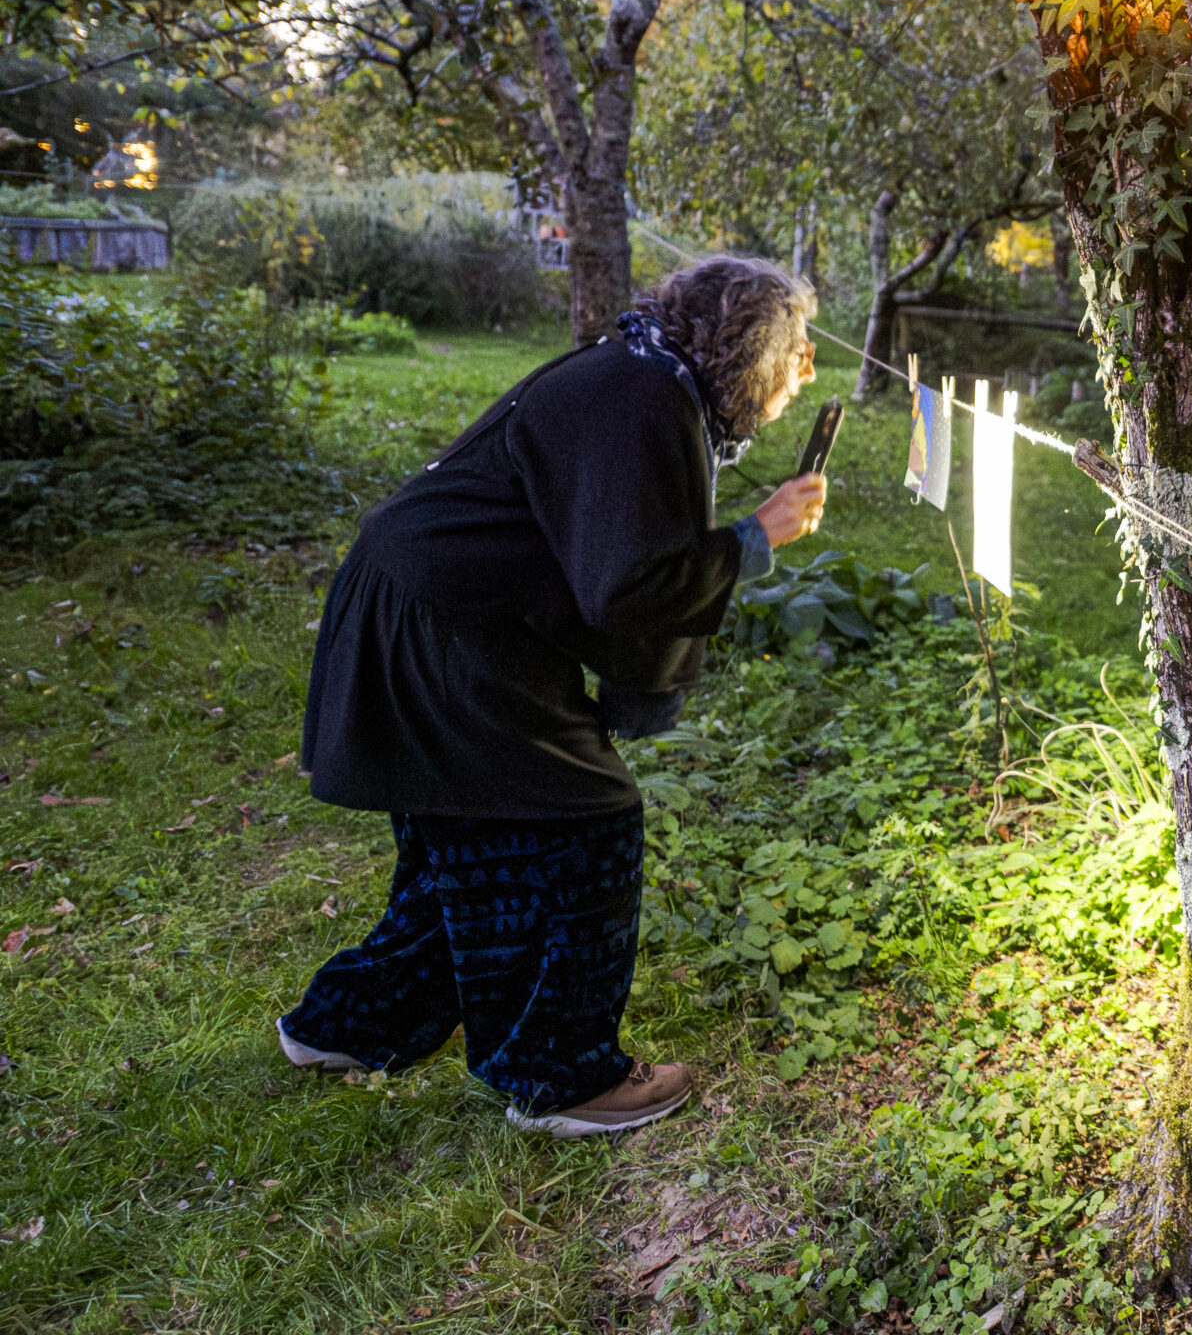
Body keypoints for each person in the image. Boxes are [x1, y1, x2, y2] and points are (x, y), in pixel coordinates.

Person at [275, 257, 828, 1137]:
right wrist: (754, 538)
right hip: (439, 620)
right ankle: (561, 1075)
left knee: (471, 838)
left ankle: (347, 1027)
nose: (806, 374)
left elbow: (612, 553)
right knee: (578, 825)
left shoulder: (643, 375)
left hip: (437, 603)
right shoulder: (641, 398)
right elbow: (628, 584)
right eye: (797, 352)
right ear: (752, 350)